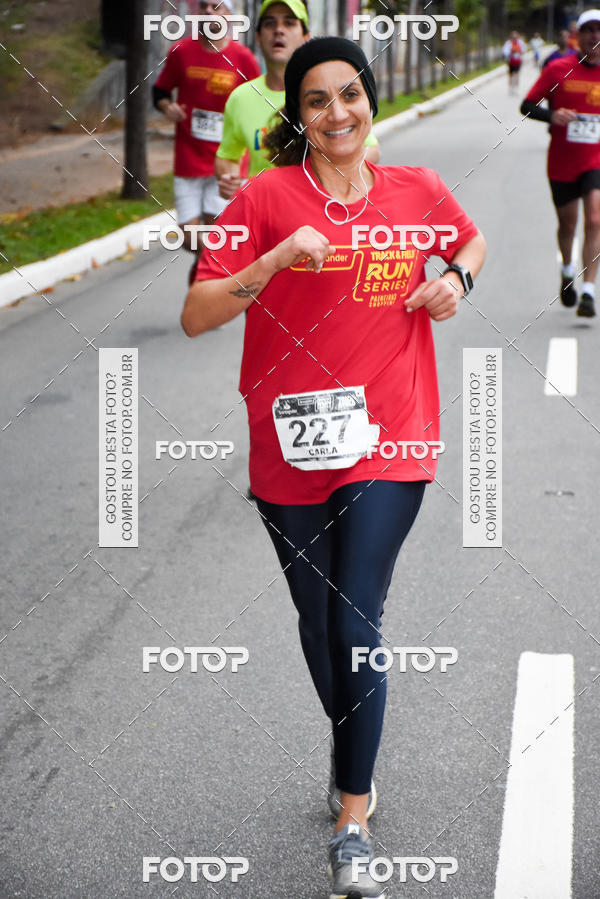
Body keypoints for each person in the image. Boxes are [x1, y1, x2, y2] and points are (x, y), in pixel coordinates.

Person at [182, 36, 485, 898]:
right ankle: (354, 744)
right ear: (298, 116)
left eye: (349, 94)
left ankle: (353, 819)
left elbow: (472, 243)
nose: (338, 112)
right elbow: (199, 313)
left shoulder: (416, 189)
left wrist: (456, 279)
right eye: (317, 100)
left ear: (371, 99)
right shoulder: (268, 199)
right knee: (320, 629)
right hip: (291, 443)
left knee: (355, 618)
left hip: (392, 435)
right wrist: (274, 258)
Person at [215, 0, 380, 202]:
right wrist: (230, 180)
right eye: (269, 24)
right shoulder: (240, 98)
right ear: (258, 37)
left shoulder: (331, 95)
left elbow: (370, 149)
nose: (278, 31)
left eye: (289, 23)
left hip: (325, 209)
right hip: (265, 213)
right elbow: (227, 155)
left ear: (306, 37)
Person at [152, 0, 260, 252]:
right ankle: (214, 275)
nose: (208, 12)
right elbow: (159, 91)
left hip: (227, 160)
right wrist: (168, 107)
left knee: (217, 234)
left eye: (216, 6)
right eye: (203, 7)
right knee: (190, 238)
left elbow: (258, 103)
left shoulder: (243, 59)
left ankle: (211, 282)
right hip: (189, 157)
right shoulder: (181, 51)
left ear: (229, 15)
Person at [521, 9, 600, 318]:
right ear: (577, 36)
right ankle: (568, 270)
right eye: (589, 30)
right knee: (568, 224)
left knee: (594, 219)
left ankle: (589, 291)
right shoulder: (558, 69)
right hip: (563, 161)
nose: (595, 36)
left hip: (596, 159)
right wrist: (553, 115)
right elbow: (527, 105)